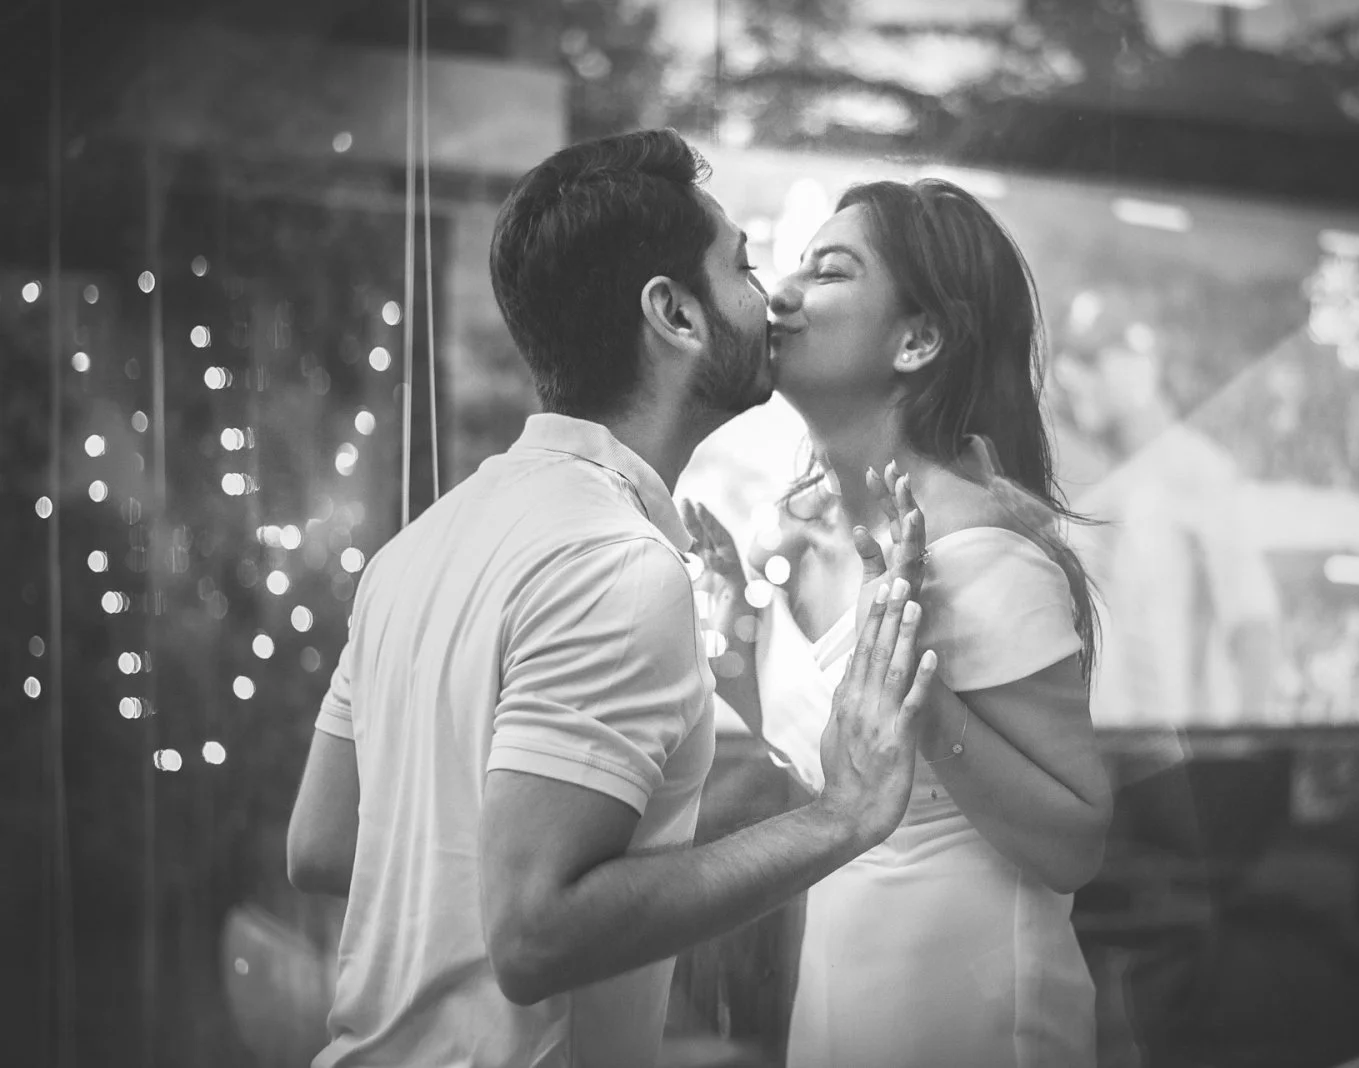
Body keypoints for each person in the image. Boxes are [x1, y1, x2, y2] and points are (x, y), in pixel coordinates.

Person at [284, 129, 941, 1068]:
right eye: (743, 268)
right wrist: (841, 815)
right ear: (674, 314)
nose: (768, 300)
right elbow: (535, 935)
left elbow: (322, 843)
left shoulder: (415, 548)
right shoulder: (616, 563)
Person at [683, 178, 1114, 1067]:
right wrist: (739, 660)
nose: (781, 295)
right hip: (840, 1004)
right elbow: (844, 766)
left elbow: (1075, 843)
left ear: (918, 340)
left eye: (828, 272)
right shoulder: (798, 538)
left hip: (978, 1017)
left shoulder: (983, 555)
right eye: (792, 267)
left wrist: (923, 695)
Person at [1047, 290, 1280, 727]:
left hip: (1191, 751)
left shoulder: (1200, 471)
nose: (1073, 378)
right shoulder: (1085, 479)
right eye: (1071, 362)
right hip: (1110, 749)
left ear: (1140, 367)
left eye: (1091, 361)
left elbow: (1253, 626)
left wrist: (1247, 747)